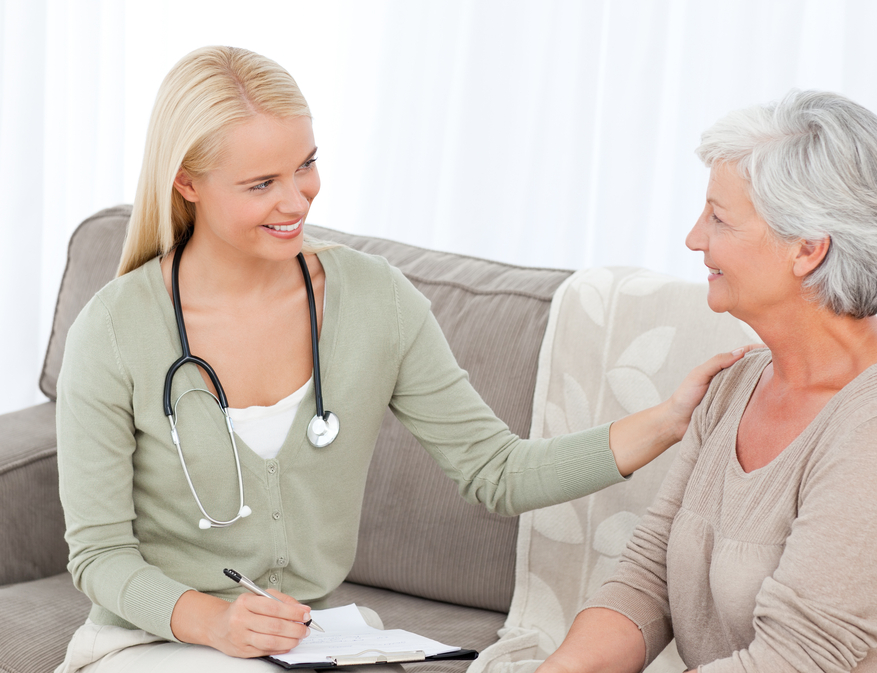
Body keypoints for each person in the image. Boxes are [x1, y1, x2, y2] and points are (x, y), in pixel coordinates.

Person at [54, 46, 751, 672]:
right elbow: (98, 555)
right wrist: (214, 621)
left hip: (306, 644)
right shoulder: (114, 331)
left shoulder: (373, 300)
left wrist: (666, 421)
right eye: (261, 183)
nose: (297, 199)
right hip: (150, 642)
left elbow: (495, 471)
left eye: (307, 164)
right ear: (186, 183)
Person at [538, 90, 877, 673]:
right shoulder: (736, 386)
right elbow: (646, 582)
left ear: (807, 249)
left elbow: (793, 660)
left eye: (719, 219)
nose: (694, 239)